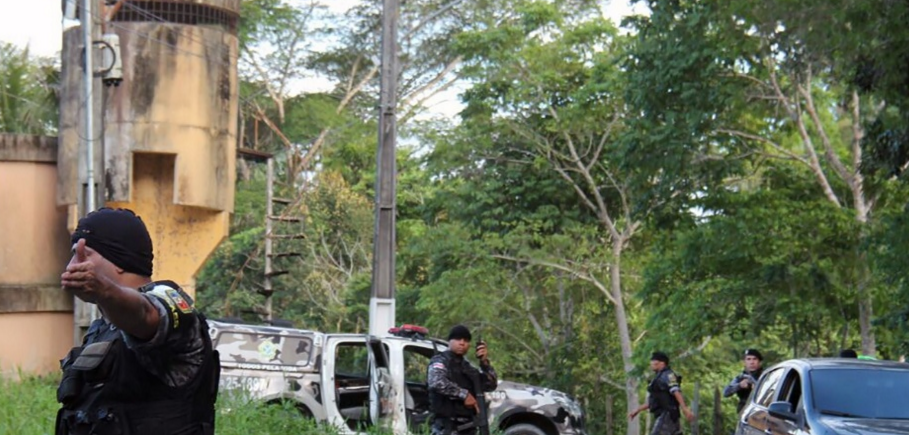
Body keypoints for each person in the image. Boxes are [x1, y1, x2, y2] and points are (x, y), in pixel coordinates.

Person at [55, 208, 219, 435]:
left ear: (119, 260)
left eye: (84, 254)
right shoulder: (102, 329)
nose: (71, 265)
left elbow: (145, 315)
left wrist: (104, 291)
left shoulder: (167, 303)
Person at [428, 325, 498, 435]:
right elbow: (436, 381)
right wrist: (464, 395)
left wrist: (484, 363)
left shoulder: (468, 367)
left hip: (468, 426)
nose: (462, 343)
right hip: (446, 426)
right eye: (458, 339)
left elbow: (490, 385)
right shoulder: (440, 360)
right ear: (450, 341)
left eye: (466, 340)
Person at [629, 352, 694, 435]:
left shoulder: (669, 375)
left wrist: (684, 408)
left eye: (654, 361)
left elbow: (676, 391)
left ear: (662, 363)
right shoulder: (658, 378)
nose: (651, 363)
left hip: (667, 414)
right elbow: (653, 401)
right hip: (667, 415)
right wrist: (637, 410)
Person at [723, 348, 764, 413]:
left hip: (762, 409)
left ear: (759, 362)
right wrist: (740, 386)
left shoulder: (766, 376)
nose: (751, 362)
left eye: (754, 359)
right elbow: (726, 393)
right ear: (744, 362)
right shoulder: (741, 377)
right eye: (748, 359)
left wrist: (756, 387)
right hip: (745, 411)